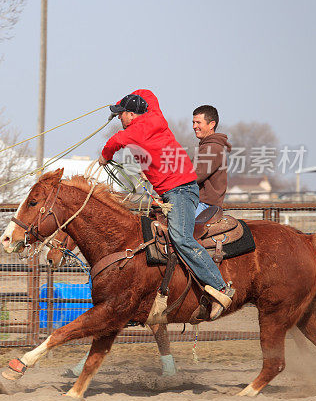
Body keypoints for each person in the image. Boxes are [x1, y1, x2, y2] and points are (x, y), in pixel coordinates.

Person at [99, 90, 234, 321]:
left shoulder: (132, 132)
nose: (119, 119)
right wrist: (122, 102)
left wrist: (104, 157)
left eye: (121, 114)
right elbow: (147, 93)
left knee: (181, 238)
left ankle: (220, 287)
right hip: (178, 190)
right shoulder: (156, 117)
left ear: (131, 114)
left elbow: (114, 142)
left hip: (179, 192)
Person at [191, 105, 232, 217]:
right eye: (193, 122)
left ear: (212, 124)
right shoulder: (206, 146)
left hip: (204, 205)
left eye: (198, 123)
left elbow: (193, 176)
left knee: (181, 231)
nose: (194, 126)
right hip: (199, 203)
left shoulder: (212, 148)